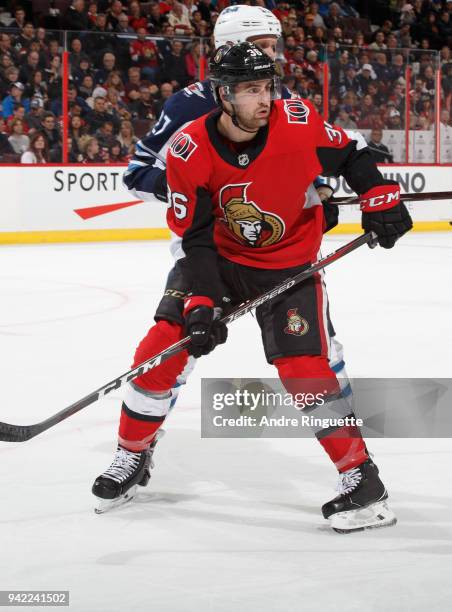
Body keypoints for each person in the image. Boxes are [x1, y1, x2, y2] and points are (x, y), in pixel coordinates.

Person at [92, 43, 412, 532]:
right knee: (159, 349)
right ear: (222, 94)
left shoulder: (298, 122)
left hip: (287, 267)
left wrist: (380, 197)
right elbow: (195, 239)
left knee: (303, 367)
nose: (264, 99)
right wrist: (200, 304)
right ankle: (131, 455)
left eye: (266, 87)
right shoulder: (188, 149)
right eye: (249, 90)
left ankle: (361, 479)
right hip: (216, 262)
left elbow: (351, 155)